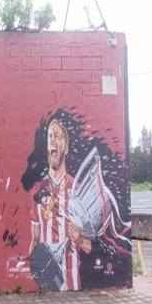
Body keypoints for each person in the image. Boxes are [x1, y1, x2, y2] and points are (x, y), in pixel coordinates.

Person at [29, 118, 91, 291]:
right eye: (50, 136)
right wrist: (32, 273)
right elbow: (35, 239)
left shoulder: (77, 190)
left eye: (57, 136)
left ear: (67, 147)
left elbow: (88, 247)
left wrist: (78, 239)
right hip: (46, 285)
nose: (52, 140)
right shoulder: (38, 190)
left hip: (72, 286)